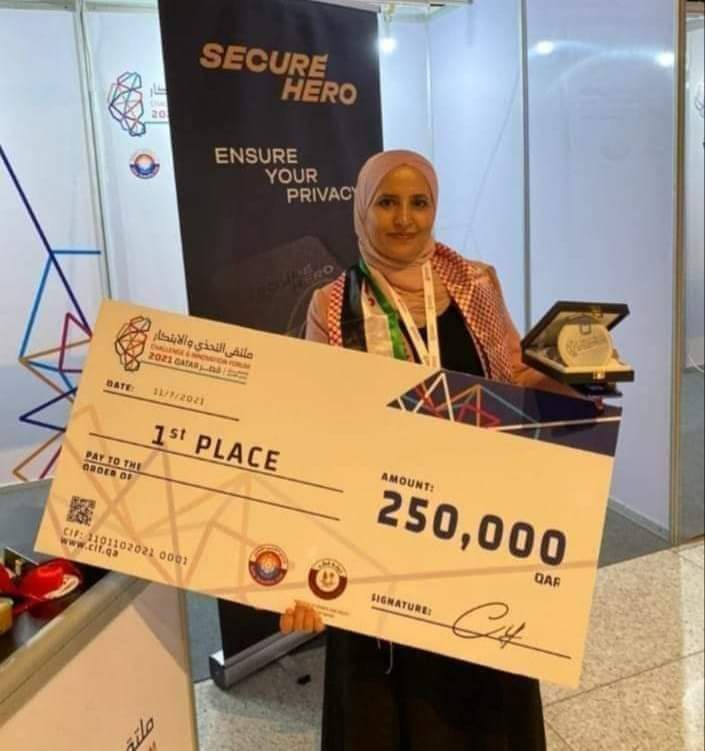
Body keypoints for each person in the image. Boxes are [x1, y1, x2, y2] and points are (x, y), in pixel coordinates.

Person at [280, 149, 575, 750]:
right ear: (362, 209)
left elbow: (512, 381)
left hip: (477, 535)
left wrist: (578, 374)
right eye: (387, 202)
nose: (404, 218)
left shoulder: (476, 284)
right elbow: (314, 435)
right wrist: (301, 567)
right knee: (391, 708)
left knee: (483, 702)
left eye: (419, 203)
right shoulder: (332, 306)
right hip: (381, 538)